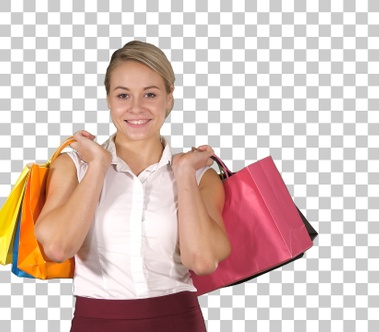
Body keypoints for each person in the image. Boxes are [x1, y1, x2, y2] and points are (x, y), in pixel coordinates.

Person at [33, 40, 231, 332]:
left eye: (150, 94)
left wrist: (185, 172)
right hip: (95, 323)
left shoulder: (200, 175)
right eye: (123, 95)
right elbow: (58, 247)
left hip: (178, 322)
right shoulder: (74, 166)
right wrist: (99, 165)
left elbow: (202, 261)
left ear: (169, 97)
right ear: (109, 100)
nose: (136, 107)